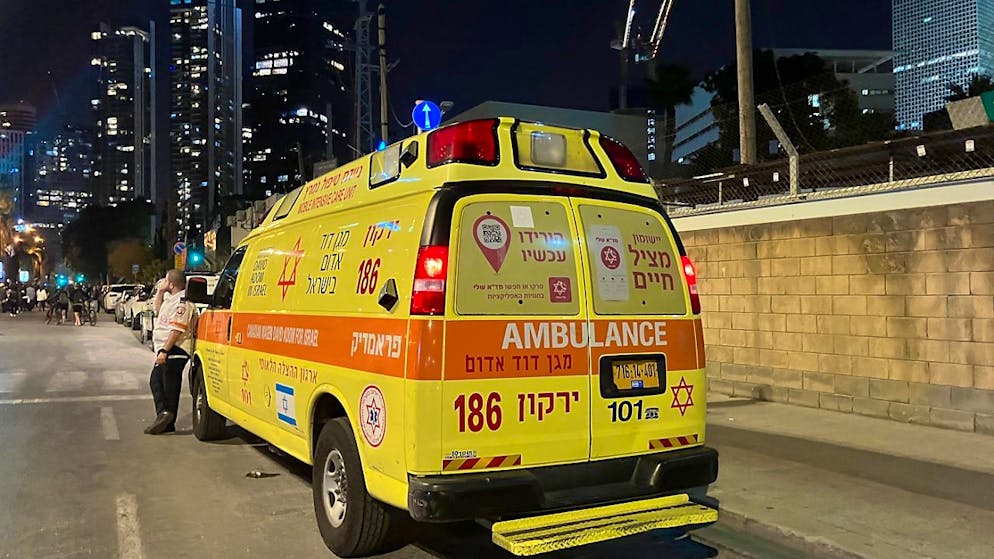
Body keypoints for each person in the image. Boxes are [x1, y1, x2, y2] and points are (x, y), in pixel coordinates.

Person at [145, 270, 198, 435]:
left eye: (165, 281)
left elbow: (177, 330)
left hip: (176, 347)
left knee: (169, 385)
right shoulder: (171, 299)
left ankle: (166, 417)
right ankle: (165, 418)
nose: (163, 283)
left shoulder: (183, 302)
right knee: (157, 381)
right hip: (166, 347)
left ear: (171, 283)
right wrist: (160, 292)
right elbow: (159, 310)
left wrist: (164, 351)